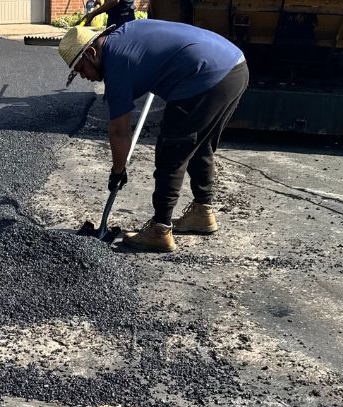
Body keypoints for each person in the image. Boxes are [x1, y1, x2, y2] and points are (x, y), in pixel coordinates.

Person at [58, 20, 249, 252]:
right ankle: (202, 212)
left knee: (172, 151)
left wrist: (118, 172)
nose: (83, 76)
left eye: (81, 69)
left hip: (206, 74)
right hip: (234, 66)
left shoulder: (117, 63)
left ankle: (160, 230)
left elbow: (119, 131)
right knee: (199, 143)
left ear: (91, 52)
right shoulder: (124, 34)